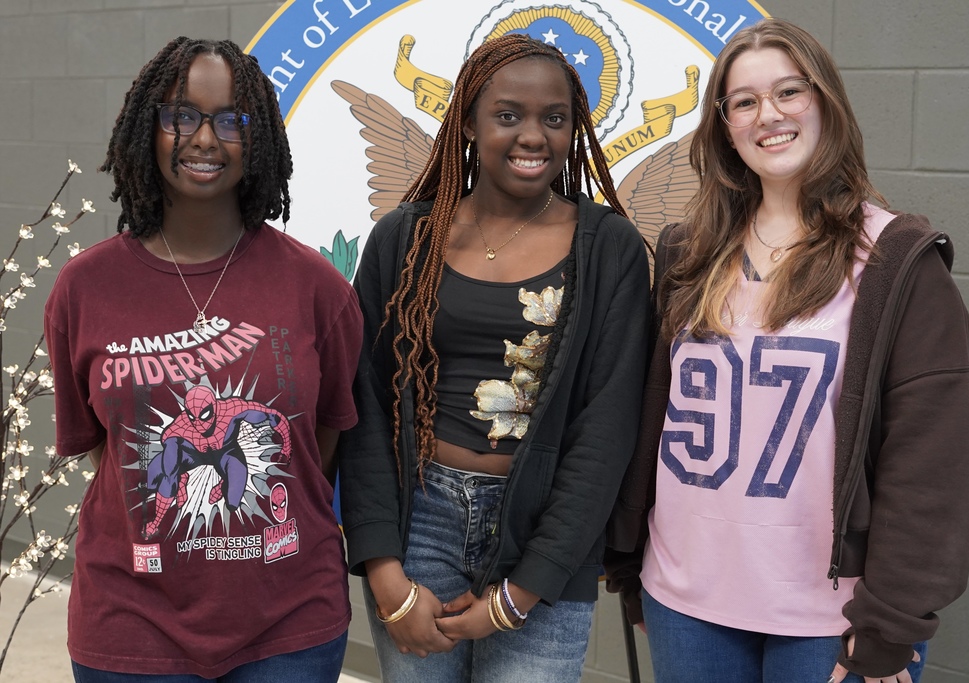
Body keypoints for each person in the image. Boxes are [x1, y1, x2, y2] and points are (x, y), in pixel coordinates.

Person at [604, 17, 969, 683]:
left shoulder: (897, 262)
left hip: (832, 620)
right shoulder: (686, 252)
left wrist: (891, 622)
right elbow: (649, 421)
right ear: (723, 124)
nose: (768, 115)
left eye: (788, 91)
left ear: (826, 101)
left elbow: (931, 463)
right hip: (685, 602)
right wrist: (631, 565)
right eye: (744, 101)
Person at [43, 37, 361, 681]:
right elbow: (106, 448)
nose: (205, 139)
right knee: (169, 473)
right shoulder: (84, 287)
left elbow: (322, 437)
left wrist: (257, 447)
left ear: (260, 137)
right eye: (181, 115)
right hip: (130, 620)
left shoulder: (316, 286)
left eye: (231, 120)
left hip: (289, 622)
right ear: (149, 128)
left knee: (245, 474)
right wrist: (166, 486)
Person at [337, 33, 650, 682]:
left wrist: (523, 591)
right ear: (469, 125)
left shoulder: (610, 248)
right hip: (418, 518)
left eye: (553, 118)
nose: (532, 135)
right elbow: (365, 406)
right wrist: (385, 571)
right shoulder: (404, 237)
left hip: (544, 528)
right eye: (508, 115)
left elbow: (606, 431)